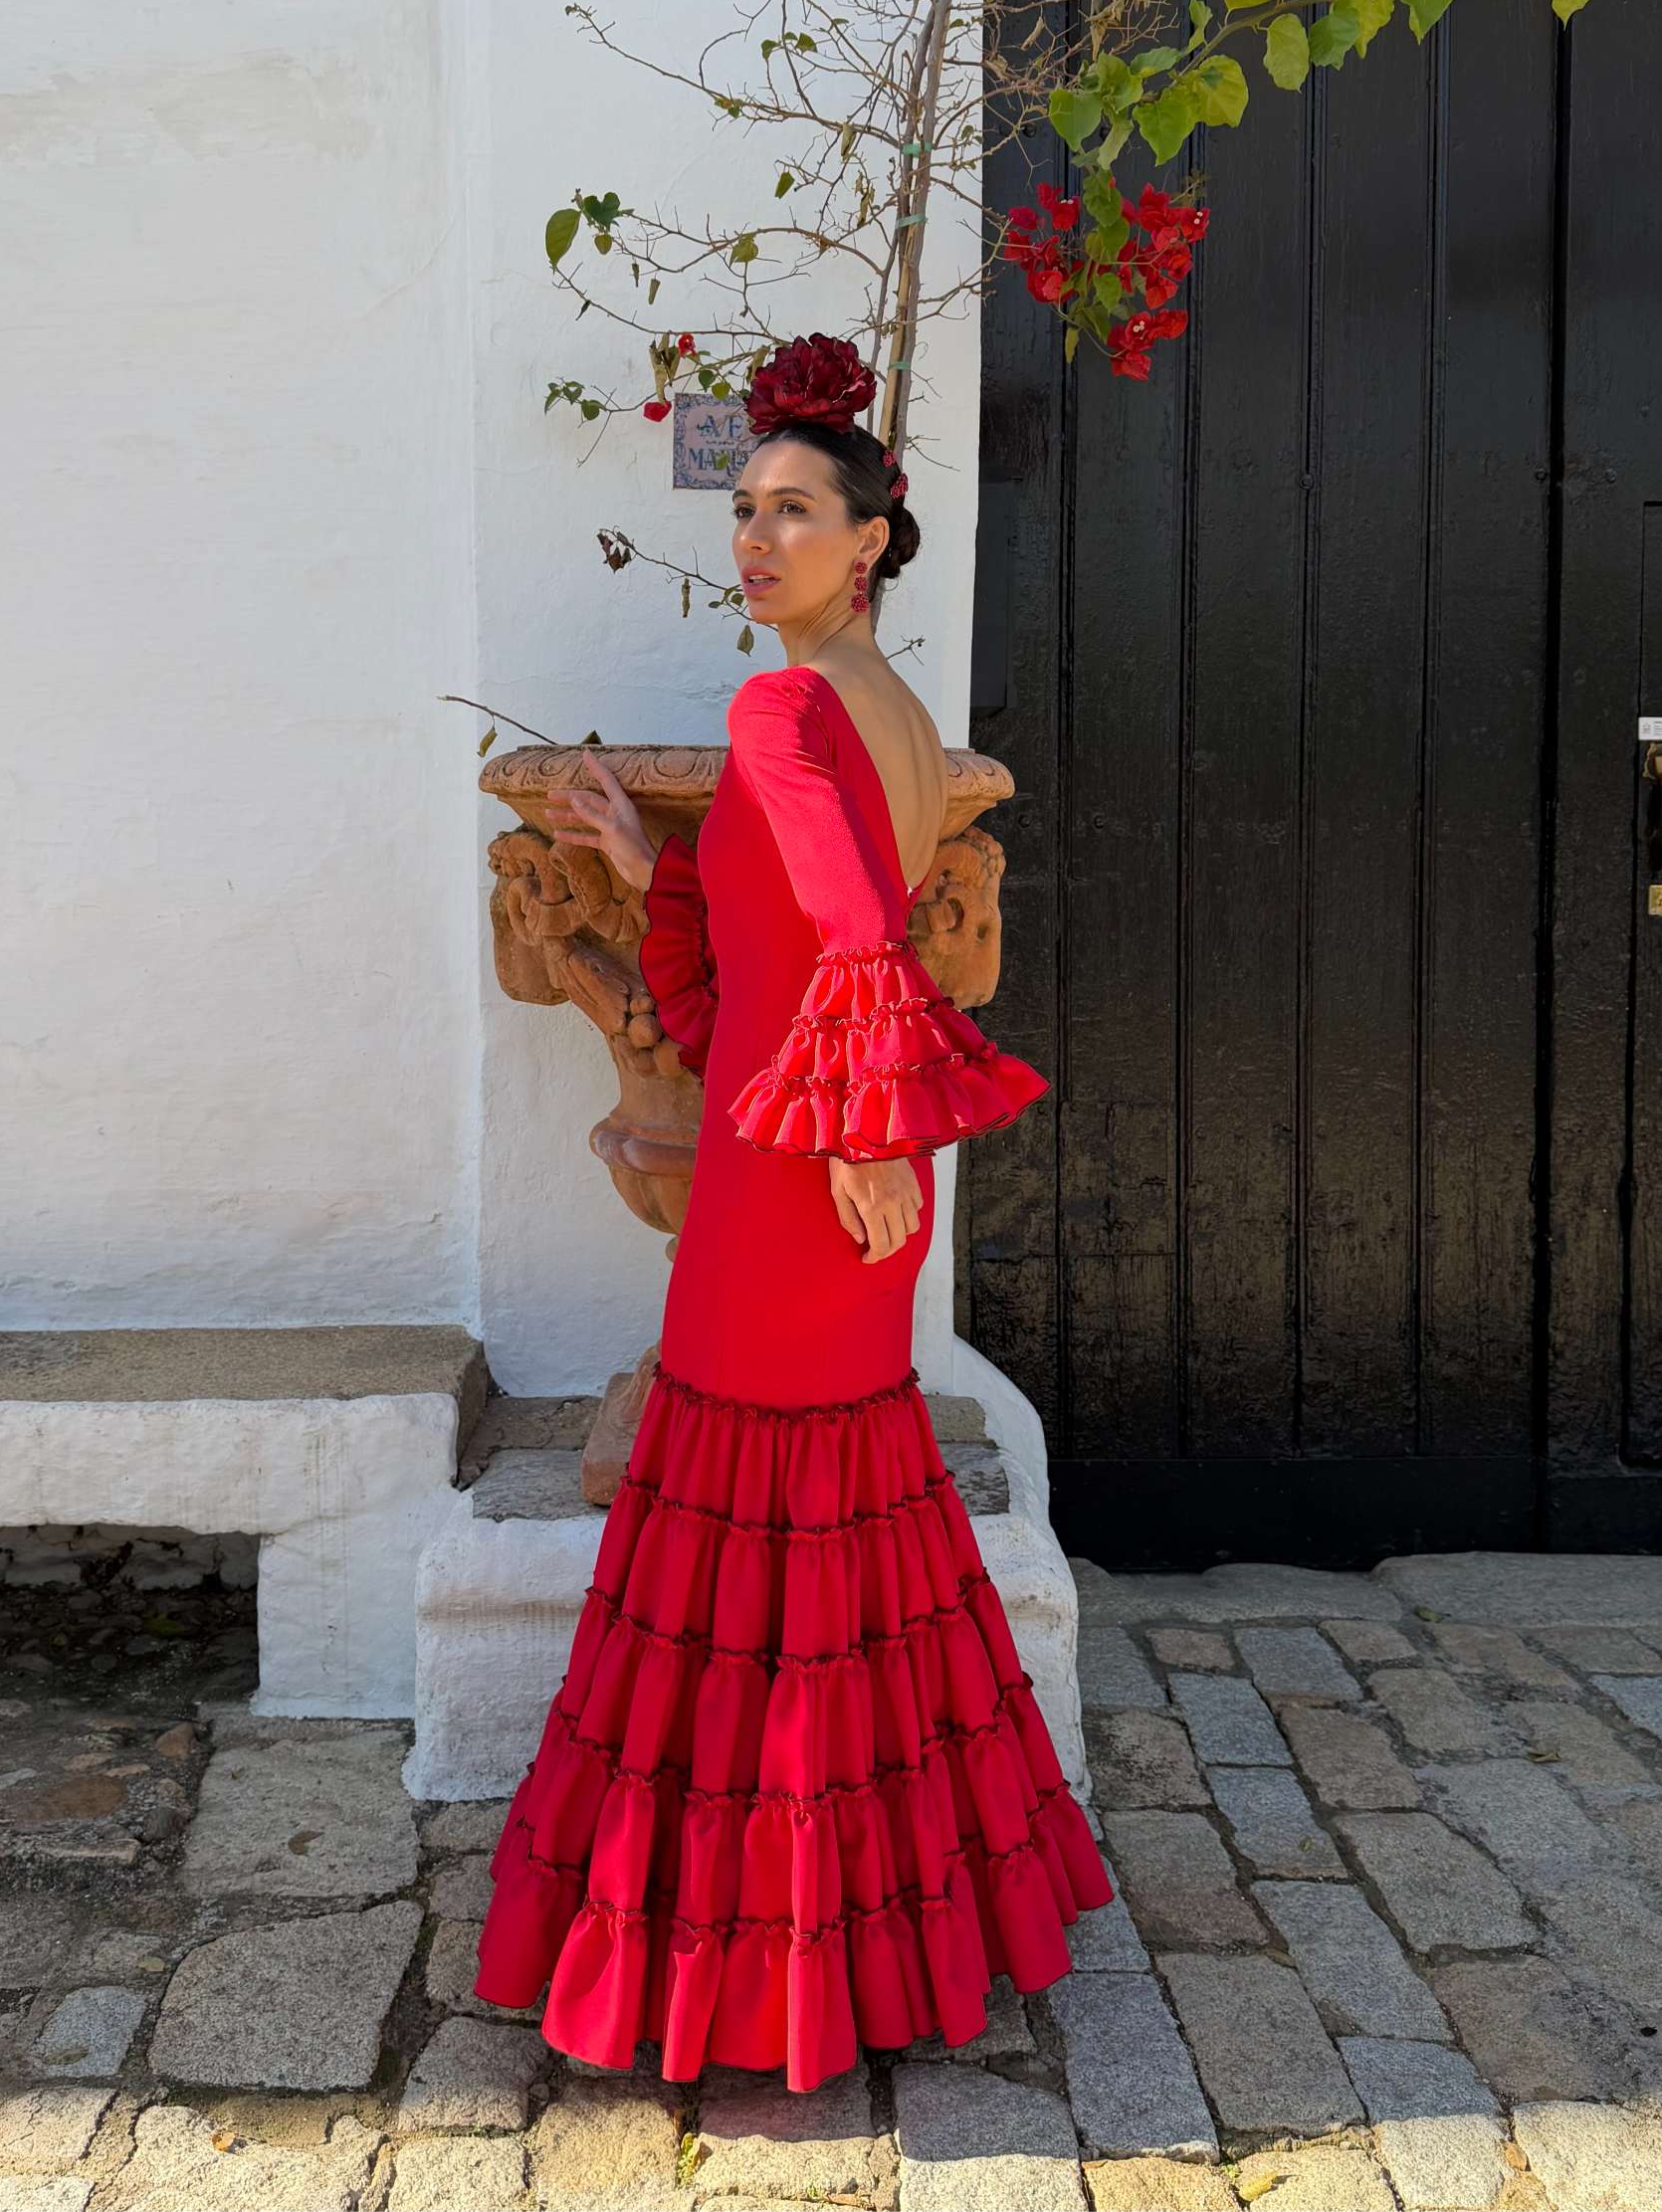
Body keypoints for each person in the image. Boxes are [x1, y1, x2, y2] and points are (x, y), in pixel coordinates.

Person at [472, 331, 1112, 2092]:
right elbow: (811, 914)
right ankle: (886, 1914)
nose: (757, 539)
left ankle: (737, 1948)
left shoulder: (780, 705)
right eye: (744, 511)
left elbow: (841, 941)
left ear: (870, 541)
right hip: (842, 1156)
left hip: (794, 1166)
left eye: (795, 512)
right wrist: (639, 858)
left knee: (755, 1510)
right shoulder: (884, 713)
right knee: (842, 1510)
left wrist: (845, 1133)